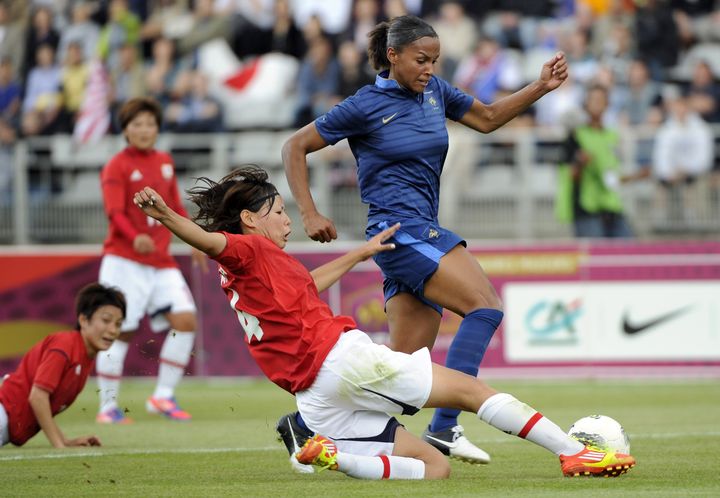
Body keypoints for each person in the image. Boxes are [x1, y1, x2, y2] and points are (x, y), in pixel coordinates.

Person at [132, 165, 636, 480]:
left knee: (433, 469)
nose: (287, 221)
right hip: (340, 361)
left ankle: (331, 455)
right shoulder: (244, 248)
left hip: (314, 397)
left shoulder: (259, 265)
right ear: (249, 219)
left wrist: (361, 254)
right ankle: (576, 453)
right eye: (280, 211)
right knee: (469, 391)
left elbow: (309, 285)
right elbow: (207, 240)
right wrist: (165, 216)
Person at [280, 15, 568, 463]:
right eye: (420, 60)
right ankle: (445, 428)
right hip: (400, 229)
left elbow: (488, 118)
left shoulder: (435, 92)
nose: (429, 68)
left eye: (435, 60)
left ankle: (304, 425)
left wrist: (540, 87)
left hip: (419, 230)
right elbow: (294, 146)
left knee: (402, 364)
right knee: (485, 306)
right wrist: (310, 212)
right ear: (392, 56)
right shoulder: (364, 104)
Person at [96, 96, 207, 424]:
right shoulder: (116, 165)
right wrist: (135, 237)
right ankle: (107, 408)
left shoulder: (164, 160)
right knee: (119, 332)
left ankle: (162, 397)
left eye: (150, 124)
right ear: (126, 130)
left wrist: (195, 240)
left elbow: (174, 206)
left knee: (186, 320)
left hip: (160, 261)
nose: (145, 130)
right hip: (124, 261)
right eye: (137, 124)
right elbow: (114, 212)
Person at [0, 283, 126, 448]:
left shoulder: (84, 356)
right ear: (83, 320)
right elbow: (37, 397)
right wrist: (59, 445)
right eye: (106, 320)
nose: (113, 330)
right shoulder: (65, 345)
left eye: (118, 324)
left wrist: (66, 442)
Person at [555, 84, 642, 238]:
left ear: (607, 104)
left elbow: (612, 176)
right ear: (585, 105)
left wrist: (637, 176)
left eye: (600, 100)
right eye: (593, 100)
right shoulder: (576, 136)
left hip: (612, 207)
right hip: (587, 210)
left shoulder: (612, 136)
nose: (597, 104)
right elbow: (569, 176)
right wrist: (580, 163)